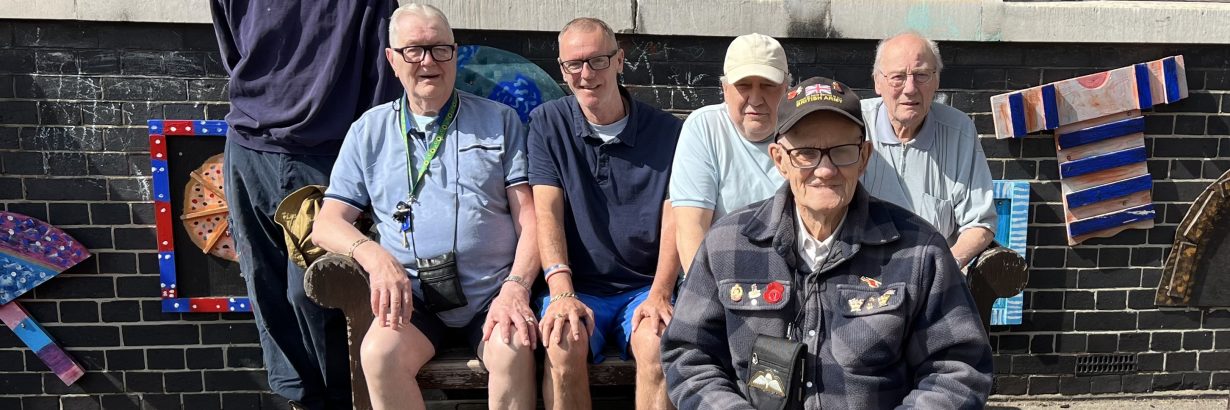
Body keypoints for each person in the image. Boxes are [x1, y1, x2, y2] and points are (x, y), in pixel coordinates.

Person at [662, 76, 993, 409]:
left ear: (864, 157)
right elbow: (688, 354)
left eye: (842, 152)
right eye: (806, 153)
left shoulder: (919, 251)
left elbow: (957, 369)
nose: (824, 170)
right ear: (780, 160)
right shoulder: (727, 245)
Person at [311, 4, 540, 409]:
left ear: (455, 52)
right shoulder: (368, 131)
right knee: (379, 356)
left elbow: (531, 220)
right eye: (414, 50)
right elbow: (327, 223)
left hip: (491, 295)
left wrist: (516, 289)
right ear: (392, 59)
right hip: (410, 300)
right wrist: (374, 257)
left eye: (440, 49)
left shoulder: (500, 120)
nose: (429, 62)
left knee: (515, 346)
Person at [210, 0, 399, 407]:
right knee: (265, 286)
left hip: (329, 155)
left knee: (319, 292)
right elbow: (233, 51)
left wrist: (364, 162)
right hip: (247, 148)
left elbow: (383, 75)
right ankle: (298, 400)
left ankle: (342, 399)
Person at [527, 17, 684, 410]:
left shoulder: (667, 131)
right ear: (561, 69)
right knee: (562, 343)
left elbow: (675, 216)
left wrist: (662, 292)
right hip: (579, 286)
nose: (586, 74)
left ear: (619, 60)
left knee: (660, 344)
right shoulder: (547, 123)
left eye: (598, 61)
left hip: (644, 287)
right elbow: (546, 210)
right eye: (573, 65)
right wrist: (561, 291)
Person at [861, 32, 1023, 327]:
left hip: (932, 288)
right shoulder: (855, 128)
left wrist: (941, 269)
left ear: (936, 81)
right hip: (864, 283)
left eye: (921, 75)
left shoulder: (959, 131)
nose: (910, 89)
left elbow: (980, 223)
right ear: (878, 82)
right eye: (898, 77)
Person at [670, 33, 789, 274]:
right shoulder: (704, 127)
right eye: (744, 85)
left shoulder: (803, 131)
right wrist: (708, 297)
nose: (755, 99)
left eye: (767, 85)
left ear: (787, 88)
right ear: (724, 89)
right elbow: (691, 228)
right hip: (720, 275)